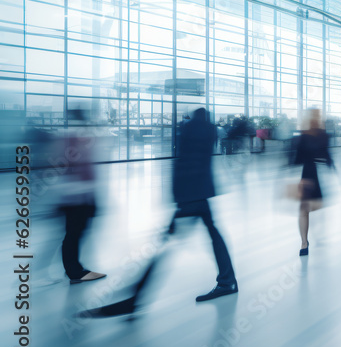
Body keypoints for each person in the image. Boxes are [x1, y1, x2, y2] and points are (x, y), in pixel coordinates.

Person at [82, 108, 237, 318]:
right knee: (209, 235)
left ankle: (136, 298)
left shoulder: (189, 128)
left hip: (190, 195)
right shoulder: (211, 129)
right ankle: (227, 281)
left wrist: (176, 196)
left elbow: (184, 160)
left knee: (164, 244)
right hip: (202, 192)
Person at [54, 109, 107, 284]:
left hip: (73, 194)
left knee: (74, 232)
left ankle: (73, 268)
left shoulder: (68, 138)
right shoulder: (77, 139)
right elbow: (85, 169)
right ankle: (74, 271)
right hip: (77, 195)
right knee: (74, 233)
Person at [292, 109, 333, 256]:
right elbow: (297, 158)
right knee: (303, 209)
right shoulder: (304, 136)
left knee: (310, 208)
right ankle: (304, 242)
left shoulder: (322, 135)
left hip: (316, 175)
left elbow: (327, 155)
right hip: (307, 175)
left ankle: (307, 239)